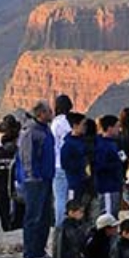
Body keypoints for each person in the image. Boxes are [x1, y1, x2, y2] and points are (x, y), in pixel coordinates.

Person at [18, 102, 57, 258]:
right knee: (33, 217)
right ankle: (30, 254)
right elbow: (27, 156)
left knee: (45, 217)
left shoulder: (45, 129)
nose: (52, 113)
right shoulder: (30, 131)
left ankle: (40, 250)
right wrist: (32, 175)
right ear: (41, 113)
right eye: (49, 111)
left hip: (47, 178)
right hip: (35, 181)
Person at [0, 115, 21, 233]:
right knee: (18, 216)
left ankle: (8, 231)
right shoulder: (20, 150)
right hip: (18, 189)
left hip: (1, 189)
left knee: (5, 216)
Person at [59, 115, 93, 218]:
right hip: (75, 182)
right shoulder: (68, 145)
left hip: (86, 182)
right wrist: (82, 164)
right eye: (83, 124)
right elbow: (65, 164)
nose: (85, 127)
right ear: (75, 125)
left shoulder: (84, 141)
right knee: (74, 209)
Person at [92, 115, 126, 218]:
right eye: (117, 127)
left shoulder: (116, 143)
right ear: (110, 128)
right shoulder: (101, 145)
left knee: (114, 214)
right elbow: (99, 166)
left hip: (115, 185)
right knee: (108, 216)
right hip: (107, 186)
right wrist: (115, 164)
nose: (119, 130)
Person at [49, 94, 74, 224]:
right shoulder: (70, 123)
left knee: (59, 198)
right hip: (70, 164)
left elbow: (54, 146)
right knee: (70, 197)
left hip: (58, 165)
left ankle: (60, 225)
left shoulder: (57, 123)